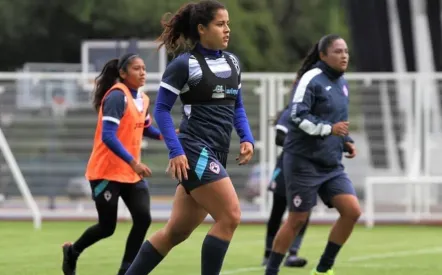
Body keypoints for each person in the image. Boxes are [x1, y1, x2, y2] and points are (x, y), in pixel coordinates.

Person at [125, 1, 255, 274]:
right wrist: (176, 150)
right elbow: (160, 109)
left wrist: (247, 137)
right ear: (201, 29)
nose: (227, 29)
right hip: (195, 151)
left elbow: (238, 106)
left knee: (175, 232)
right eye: (220, 24)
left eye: (228, 23)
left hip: (216, 153)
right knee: (230, 216)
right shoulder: (185, 65)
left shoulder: (232, 62)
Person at [265, 34, 361, 275]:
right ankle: (271, 271)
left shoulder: (342, 83)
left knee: (352, 212)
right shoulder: (311, 79)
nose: (344, 56)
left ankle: (323, 269)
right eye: (338, 51)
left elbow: (337, 120)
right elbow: (297, 115)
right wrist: (330, 129)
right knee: (296, 220)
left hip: (330, 164)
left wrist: (346, 140)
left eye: (346, 51)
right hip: (303, 162)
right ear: (323, 55)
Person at [62, 53, 164, 275]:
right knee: (107, 227)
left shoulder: (143, 99)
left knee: (143, 218)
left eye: (144, 68)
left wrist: (166, 135)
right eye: (136, 68)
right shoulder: (118, 97)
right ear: (123, 74)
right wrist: (134, 162)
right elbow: (108, 136)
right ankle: (73, 251)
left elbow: (145, 128)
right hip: (106, 173)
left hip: (130, 173)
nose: (142, 72)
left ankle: (126, 271)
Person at [262, 105, 309, 268]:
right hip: (286, 167)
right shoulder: (293, 111)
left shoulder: (318, 112)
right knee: (278, 209)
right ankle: (268, 253)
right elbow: (279, 138)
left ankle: (293, 253)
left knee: (303, 212)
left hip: (308, 169)